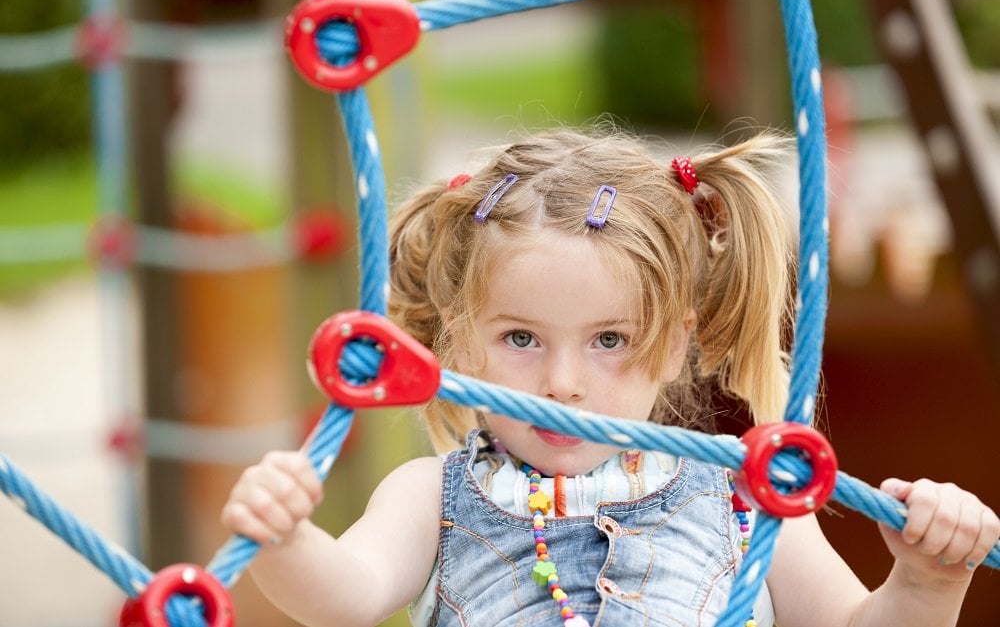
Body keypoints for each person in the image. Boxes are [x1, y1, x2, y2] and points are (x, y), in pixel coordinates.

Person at [221, 126, 999, 627]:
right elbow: (346, 595)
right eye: (521, 336)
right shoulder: (433, 496)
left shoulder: (745, 494)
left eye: (610, 340)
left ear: (671, 346)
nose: (563, 382)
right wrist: (285, 538)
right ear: (457, 345)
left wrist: (927, 583)